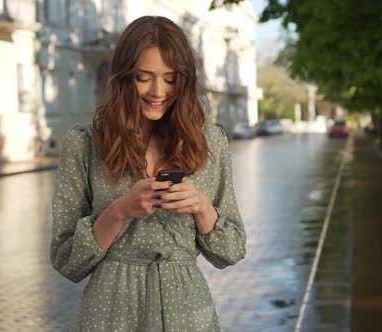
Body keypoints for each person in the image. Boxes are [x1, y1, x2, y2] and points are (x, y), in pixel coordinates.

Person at [50, 16, 246, 331]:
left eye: (170, 79)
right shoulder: (85, 144)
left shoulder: (210, 142)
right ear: (124, 77)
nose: (158, 91)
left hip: (188, 313)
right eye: (144, 77)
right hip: (110, 313)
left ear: (184, 80)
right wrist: (119, 211)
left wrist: (201, 206)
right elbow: (66, 260)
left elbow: (231, 251)